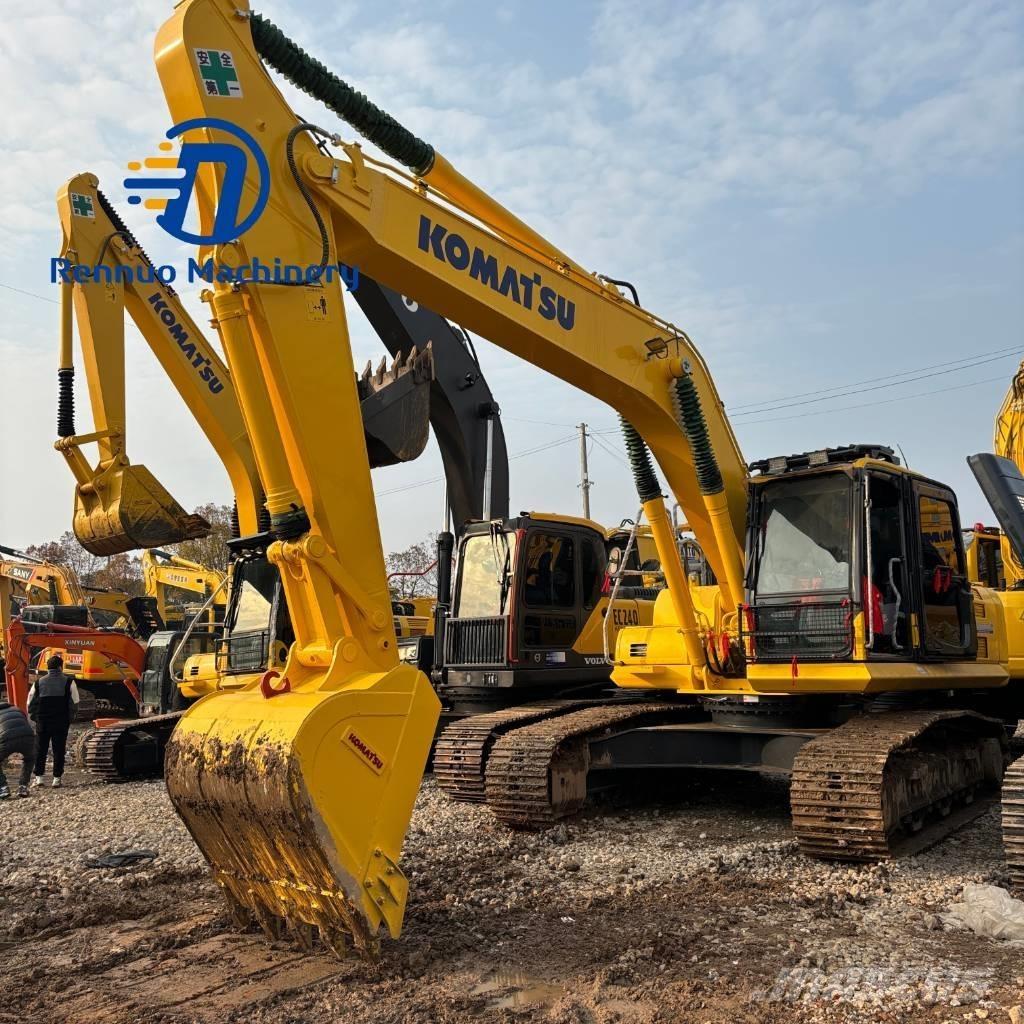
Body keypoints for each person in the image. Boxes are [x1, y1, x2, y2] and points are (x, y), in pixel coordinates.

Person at [27, 654, 80, 788]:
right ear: (60, 667)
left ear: (48, 667)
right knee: (59, 749)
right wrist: (69, 718)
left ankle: (39, 778)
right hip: (61, 722)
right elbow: (75, 702)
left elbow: (30, 703)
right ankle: (57, 779)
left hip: (43, 721)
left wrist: (35, 717)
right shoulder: (69, 681)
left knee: (40, 749)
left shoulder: (38, 683)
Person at [0, 700, 35, 798]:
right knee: (29, 759)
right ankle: (23, 787)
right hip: (28, 736)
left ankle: (3, 788)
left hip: (6, 739)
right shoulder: (17, 709)